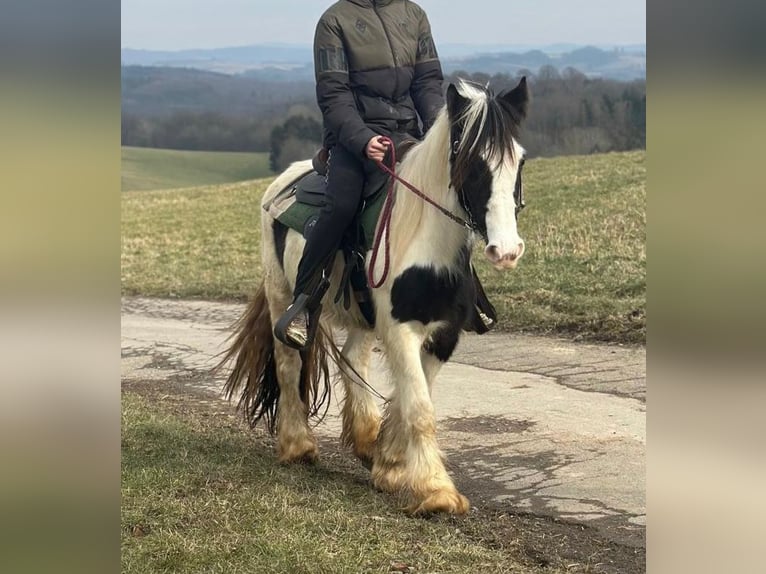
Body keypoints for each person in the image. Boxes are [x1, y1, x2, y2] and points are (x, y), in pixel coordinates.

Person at [274, 0, 445, 350]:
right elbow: (334, 96)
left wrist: (441, 133)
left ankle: (467, 294)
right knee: (341, 206)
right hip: (352, 141)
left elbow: (428, 83)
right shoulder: (333, 21)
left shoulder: (414, 15)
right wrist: (363, 139)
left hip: (408, 134)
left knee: (450, 194)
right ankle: (304, 305)